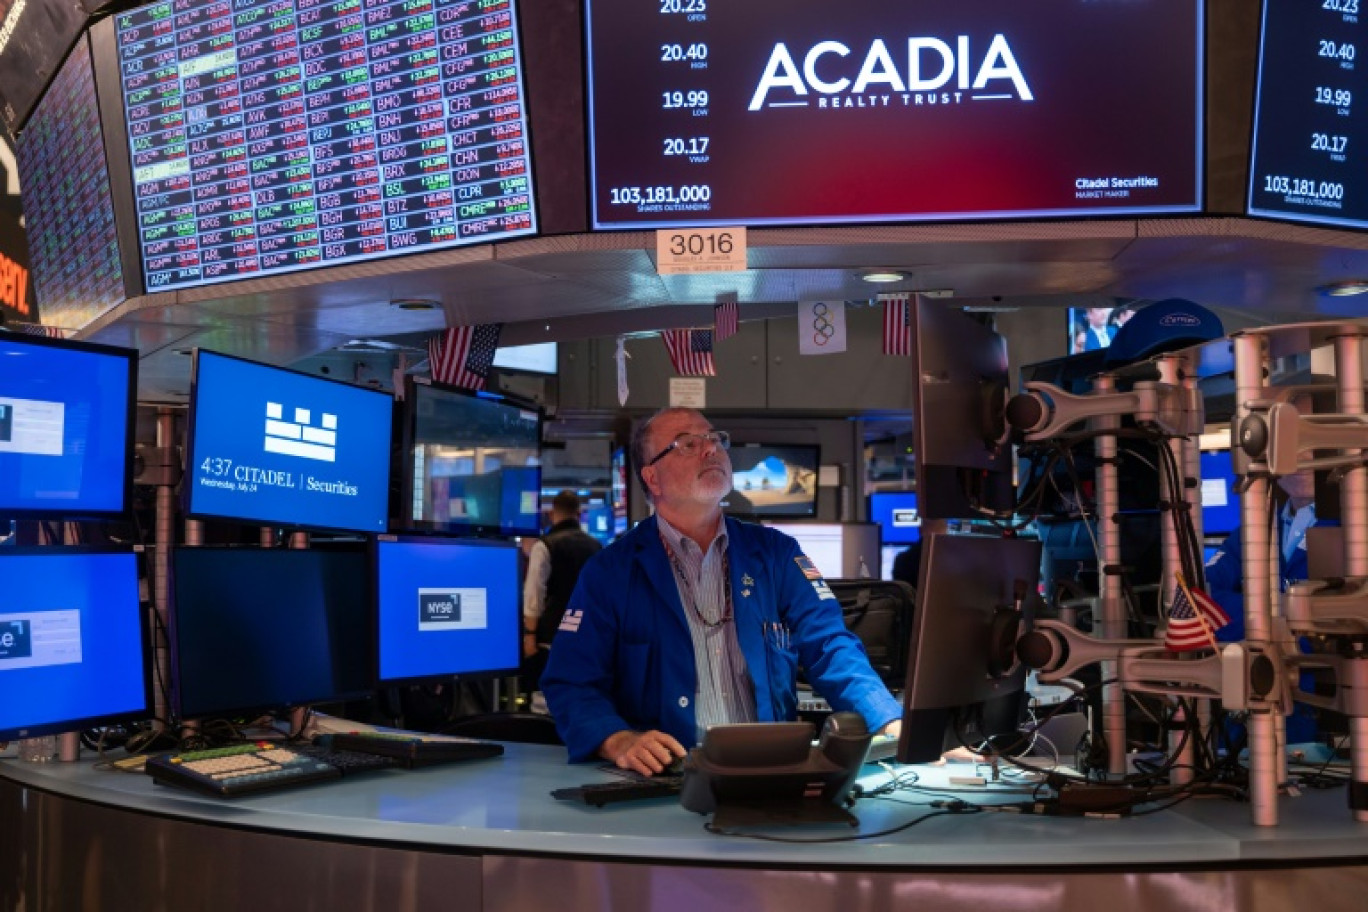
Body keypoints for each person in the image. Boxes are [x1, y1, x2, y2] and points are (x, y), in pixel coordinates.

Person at [541, 407, 903, 776]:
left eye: (715, 439)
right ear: (652, 477)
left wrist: (887, 720)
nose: (711, 449)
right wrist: (617, 739)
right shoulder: (610, 572)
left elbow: (830, 645)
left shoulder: (776, 554)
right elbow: (571, 682)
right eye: (687, 444)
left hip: (770, 773)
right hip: (665, 780)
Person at [522, 490, 603, 695]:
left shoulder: (545, 546)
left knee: (547, 699)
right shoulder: (597, 547)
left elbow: (534, 595)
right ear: (579, 514)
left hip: (552, 635)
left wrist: (530, 635)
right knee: (582, 695)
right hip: (588, 635)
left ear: (552, 514)